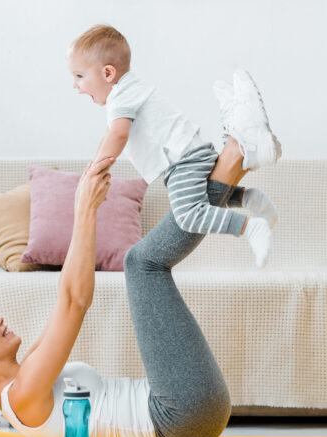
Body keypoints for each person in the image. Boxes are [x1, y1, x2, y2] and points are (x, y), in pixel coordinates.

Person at [0, 134, 258, 437]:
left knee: (141, 264)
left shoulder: (24, 382)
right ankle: (236, 153)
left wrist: (86, 201)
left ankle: (237, 158)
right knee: (141, 265)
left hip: (186, 409)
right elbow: (74, 304)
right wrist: (85, 209)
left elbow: (62, 304)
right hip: (181, 414)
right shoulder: (22, 396)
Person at [68, 24, 281, 267]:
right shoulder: (128, 91)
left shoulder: (120, 98)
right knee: (204, 196)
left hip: (183, 160)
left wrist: (97, 169)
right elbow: (109, 135)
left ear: (107, 73)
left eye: (79, 76)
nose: (75, 86)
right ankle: (249, 199)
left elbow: (117, 136)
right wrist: (93, 165)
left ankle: (250, 228)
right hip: (192, 152)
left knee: (188, 215)